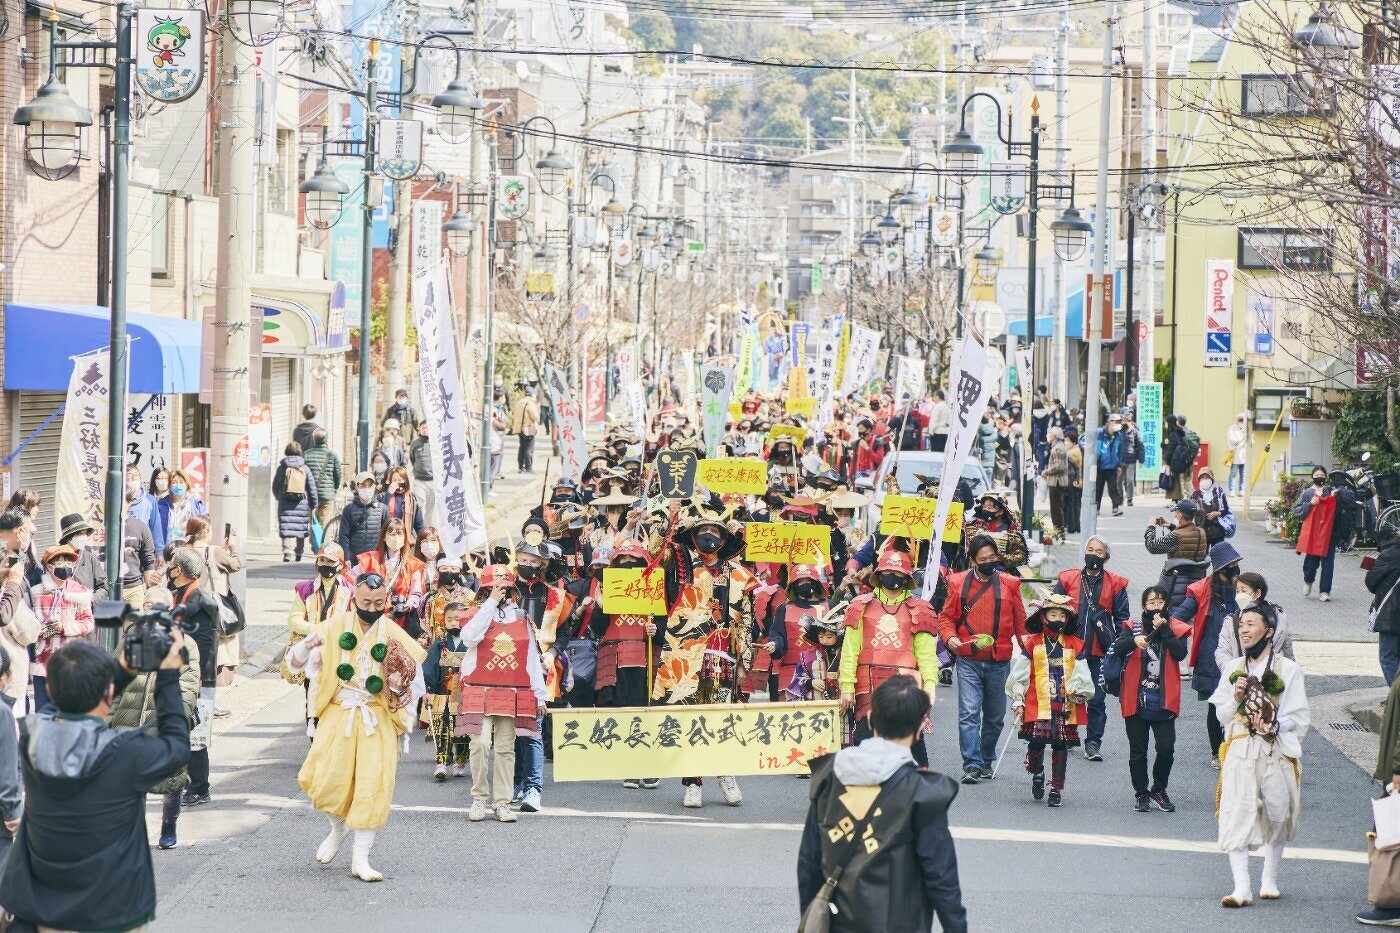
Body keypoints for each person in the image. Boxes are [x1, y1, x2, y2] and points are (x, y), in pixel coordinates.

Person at [0, 636, 189, 932]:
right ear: (109, 693)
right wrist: (167, 674)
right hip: (112, 913)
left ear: (49, 690)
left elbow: (55, 710)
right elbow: (176, 744)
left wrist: (119, 673)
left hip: (44, 911)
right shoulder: (126, 752)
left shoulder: (32, 735)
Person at [798, 675, 967, 933]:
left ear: (869, 719)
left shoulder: (830, 775)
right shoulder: (922, 791)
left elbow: (809, 862)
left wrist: (811, 919)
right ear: (919, 729)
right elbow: (941, 876)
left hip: (837, 922)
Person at [285, 573, 427, 880]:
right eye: (366, 602)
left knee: (372, 786)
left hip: (377, 717)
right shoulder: (331, 628)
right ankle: (338, 827)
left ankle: (360, 859)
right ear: (354, 600)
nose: (372, 608)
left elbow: (415, 686)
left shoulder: (396, 636)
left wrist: (398, 690)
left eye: (379, 603)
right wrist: (304, 647)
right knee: (322, 782)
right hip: (339, 713)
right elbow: (293, 666)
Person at [1211, 603, 1308, 907]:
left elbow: (1299, 716)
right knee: (1235, 812)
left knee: (1278, 812)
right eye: (1241, 625)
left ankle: (1270, 878)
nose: (1244, 630)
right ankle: (1241, 887)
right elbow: (1222, 715)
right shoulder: (1234, 668)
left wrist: (1275, 724)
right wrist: (1236, 698)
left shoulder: (1288, 670)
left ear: (1269, 632)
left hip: (1275, 748)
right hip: (1240, 748)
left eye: (1251, 624)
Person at [108, 586, 201, 850]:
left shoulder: (184, 644)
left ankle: (169, 824)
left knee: (170, 779)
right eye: (148, 605)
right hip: (128, 722)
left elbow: (188, 687)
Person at [937, 535, 1029, 784]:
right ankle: (972, 764)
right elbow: (946, 618)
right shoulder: (958, 583)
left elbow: (1021, 623)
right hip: (968, 659)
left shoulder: (1010, 584)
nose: (989, 562)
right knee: (969, 713)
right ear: (972, 561)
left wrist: (1030, 653)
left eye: (992, 557)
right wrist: (950, 638)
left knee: (995, 718)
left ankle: (986, 758)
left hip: (1000, 661)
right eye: (983, 559)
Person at [457, 567, 546, 824]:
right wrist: (490, 605)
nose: (499, 592)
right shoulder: (476, 613)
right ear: (484, 591)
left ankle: (502, 802)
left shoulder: (522, 617)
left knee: (506, 748)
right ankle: (479, 798)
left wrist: (540, 696)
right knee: (480, 743)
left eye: (504, 588)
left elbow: (531, 658)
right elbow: (468, 638)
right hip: (479, 687)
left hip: (511, 688)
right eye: (493, 588)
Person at [837, 548, 939, 768]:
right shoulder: (860, 606)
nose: (893, 576)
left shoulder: (921, 609)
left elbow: (926, 655)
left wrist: (930, 685)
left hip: (906, 684)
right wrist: (847, 685)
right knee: (866, 742)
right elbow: (850, 650)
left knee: (911, 743)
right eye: (888, 572)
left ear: (906, 577)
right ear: (879, 574)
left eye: (898, 573)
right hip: (867, 683)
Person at [1007, 594, 1094, 807]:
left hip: (1065, 704)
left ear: (1067, 619)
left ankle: (1056, 788)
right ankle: (1037, 772)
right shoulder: (1032, 643)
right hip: (1038, 703)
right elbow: (1020, 674)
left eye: (1062, 615)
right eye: (1053, 614)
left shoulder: (1075, 645)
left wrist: (1078, 689)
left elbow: (1083, 673)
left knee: (1061, 747)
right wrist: (1018, 700)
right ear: (1044, 617)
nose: (1058, 619)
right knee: (1035, 744)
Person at [1051, 535, 1130, 762]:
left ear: (1106, 557)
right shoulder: (1067, 579)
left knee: (1096, 700)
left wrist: (1119, 650)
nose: (1093, 554)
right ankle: (1066, 735)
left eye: (1099, 551)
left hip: (1099, 652)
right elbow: (1053, 609)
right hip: (1068, 650)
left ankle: (1093, 743)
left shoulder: (1116, 584)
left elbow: (1122, 620)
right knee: (1065, 695)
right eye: (1090, 549)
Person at [1111, 586, 1190, 813]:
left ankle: (1159, 789)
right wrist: (1134, 641)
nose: (1156, 606)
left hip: (1164, 699)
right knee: (1138, 750)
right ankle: (1141, 792)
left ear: (1167, 604)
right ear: (1144, 606)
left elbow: (1180, 653)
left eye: (1160, 601)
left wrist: (1164, 630)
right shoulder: (1132, 627)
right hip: (1136, 699)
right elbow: (1118, 648)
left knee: (1166, 748)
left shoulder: (1177, 627)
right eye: (1152, 602)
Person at [1174, 540, 1243, 767]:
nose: (1235, 567)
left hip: (1240, 655)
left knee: (1240, 703)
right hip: (1210, 657)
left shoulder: (1243, 588)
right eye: (1231, 564)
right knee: (1215, 705)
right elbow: (1179, 617)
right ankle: (1217, 752)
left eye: (1236, 563)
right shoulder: (1202, 589)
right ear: (1221, 567)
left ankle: (1236, 748)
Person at [166, 547, 220, 806]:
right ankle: (188, 782)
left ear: (179, 570)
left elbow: (204, 643)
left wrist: (197, 677)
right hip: (182, 673)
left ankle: (199, 787)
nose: (168, 568)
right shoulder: (183, 596)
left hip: (197, 677)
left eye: (171, 564)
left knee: (195, 732)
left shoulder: (200, 601)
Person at [284, 543, 354, 728]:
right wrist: (317, 629)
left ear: (341, 564)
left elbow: (355, 621)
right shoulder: (305, 589)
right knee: (312, 696)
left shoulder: (351, 591)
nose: (325, 564)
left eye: (330, 561)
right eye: (322, 560)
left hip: (339, 651)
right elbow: (294, 619)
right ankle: (314, 734)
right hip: (314, 651)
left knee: (337, 696)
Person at [30, 544, 96, 712]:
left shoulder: (80, 593)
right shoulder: (36, 592)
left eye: (69, 563)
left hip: (70, 661)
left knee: (68, 711)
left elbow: (88, 623)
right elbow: (31, 625)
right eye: (60, 563)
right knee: (44, 711)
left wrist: (63, 626)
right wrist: (45, 630)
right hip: (43, 662)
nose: (65, 567)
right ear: (49, 566)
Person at [422, 600, 471, 782]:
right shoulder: (440, 642)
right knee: (442, 728)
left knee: (462, 730)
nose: (453, 623)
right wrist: (428, 689)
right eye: (449, 619)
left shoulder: (471, 642)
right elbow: (430, 666)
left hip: (464, 696)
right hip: (443, 695)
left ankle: (460, 762)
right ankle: (441, 762)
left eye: (457, 619)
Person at [355, 519, 426, 636]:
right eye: (392, 534)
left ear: (405, 538)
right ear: (384, 537)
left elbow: (416, 593)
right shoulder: (370, 560)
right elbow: (351, 579)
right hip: (374, 615)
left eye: (400, 534)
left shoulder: (413, 564)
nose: (396, 538)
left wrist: (409, 603)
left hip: (402, 617)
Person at [1295, 464, 1354, 602]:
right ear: (1312, 477)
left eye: (1322, 476)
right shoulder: (1307, 493)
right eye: (1317, 475)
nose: (1319, 478)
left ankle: (1325, 591)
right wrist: (1310, 504)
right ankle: (1308, 580)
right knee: (1311, 562)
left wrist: (1339, 492)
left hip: (1329, 533)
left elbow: (1350, 498)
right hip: (1313, 534)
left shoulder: (1330, 491)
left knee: (1328, 564)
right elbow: (1297, 510)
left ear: (1326, 477)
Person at [1217, 571, 1295, 670]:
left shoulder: (1278, 618)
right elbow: (1222, 653)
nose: (1239, 595)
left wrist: (1289, 672)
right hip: (1241, 676)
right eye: (1237, 591)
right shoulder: (1231, 621)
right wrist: (1235, 672)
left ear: (1257, 593)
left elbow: (1287, 650)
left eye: (1243, 591)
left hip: (1272, 675)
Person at [1144, 499, 1210, 613]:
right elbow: (1186, 538)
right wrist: (1170, 526)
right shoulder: (1201, 532)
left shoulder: (1175, 536)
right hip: (1197, 579)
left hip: (1175, 582)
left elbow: (1152, 546)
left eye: (1176, 512)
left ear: (1179, 515)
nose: (1175, 515)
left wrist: (1151, 527)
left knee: (1170, 612)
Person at [274, 441, 321, 563]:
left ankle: (287, 551)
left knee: (286, 527)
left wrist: (279, 497)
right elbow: (312, 488)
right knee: (300, 528)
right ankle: (299, 553)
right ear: (299, 452)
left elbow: (275, 485)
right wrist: (314, 504)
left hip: (285, 503)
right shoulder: (305, 468)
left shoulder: (282, 468)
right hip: (302, 503)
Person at [1370, 526, 1400, 685]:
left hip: (1391, 612)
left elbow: (1371, 582)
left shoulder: (1388, 554)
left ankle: (1397, 695)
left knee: (1387, 657)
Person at [338, 471, 390, 563]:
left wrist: (385, 558)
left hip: (375, 560)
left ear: (374, 487)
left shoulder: (383, 509)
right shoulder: (348, 509)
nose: (367, 488)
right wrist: (346, 558)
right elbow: (343, 536)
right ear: (357, 487)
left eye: (370, 485)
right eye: (363, 485)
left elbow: (387, 535)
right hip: (354, 560)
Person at [58, 513, 108, 602]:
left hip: (87, 607)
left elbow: (104, 587)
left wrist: (90, 599)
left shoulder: (90, 558)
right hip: (63, 607)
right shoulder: (55, 558)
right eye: (80, 533)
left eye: (85, 533)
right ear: (69, 537)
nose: (84, 537)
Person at [120, 486, 157, 605]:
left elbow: (148, 559)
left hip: (133, 588)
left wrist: (148, 585)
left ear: (129, 503)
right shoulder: (101, 527)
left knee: (135, 618)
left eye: (122, 501)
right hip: (107, 587)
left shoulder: (141, 527)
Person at [155, 468, 207, 550]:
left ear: (187, 484)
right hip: (167, 550)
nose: (178, 485)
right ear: (169, 485)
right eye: (174, 482)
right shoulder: (161, 504)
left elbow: (203, 527)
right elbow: (156, 530)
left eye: (181, 482)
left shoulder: (196, 504)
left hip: (189, 550)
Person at [303, 428, 343, 532]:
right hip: (328, 495)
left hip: (311, 495)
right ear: (326, 440)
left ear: (314, 439)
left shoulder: (306, 455)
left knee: (314, 524)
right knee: (325, 524)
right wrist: (334, 488)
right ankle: (324, 542)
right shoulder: (333, 455)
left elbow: (303, 475)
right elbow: (338, 475)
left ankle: (314, 542)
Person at [125, 466, 164, 559]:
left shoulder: (150, 500)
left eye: (136, 475)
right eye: (129, 475)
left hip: (143, 548)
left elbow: (156, 528)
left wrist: (159, 553)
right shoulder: (117, 498)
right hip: (122, 547)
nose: (133, 478)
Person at [1192, 466, 1236, 544]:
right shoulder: (1195, 494)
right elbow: (1190, 512)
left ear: (1211, 479)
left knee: (1218, 551)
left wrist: (1217, 513)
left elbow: (1226, 509)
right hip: (1202, 531)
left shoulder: (1218, 492)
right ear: (1199, 480)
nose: (1205, 480)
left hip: (1218, 531)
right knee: (1203, 552)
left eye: (1207, 477)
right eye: (1202, 477)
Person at [1094, 412, 1125, 516]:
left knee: (1113, 488)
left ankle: (1116, 507)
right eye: (1116, 422)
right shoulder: (1101, 433)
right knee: (1098, 488)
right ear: (1110, 422)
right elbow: (1097, 448)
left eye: (1119, 422)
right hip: (1101, 466)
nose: (1118, 424)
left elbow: (1120, 451)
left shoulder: (1119, 436)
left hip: (1113, 466)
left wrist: (1119, 465)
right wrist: (1096, 461)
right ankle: (1096, 508)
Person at [380, 466, 425, 536]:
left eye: (399, 480)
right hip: (389, 536)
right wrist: (389, 494)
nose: (396, 483)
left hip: (406, 537)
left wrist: (422, 537)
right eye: (394, 480)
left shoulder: (412, 499)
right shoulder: (384, 496)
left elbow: (419, 525)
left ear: (405, 481)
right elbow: (381, 515)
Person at [1043, 427, 1071, 540]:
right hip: (1056, 482)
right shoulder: (1057, 446)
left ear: (1054, 436)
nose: (1048, 435)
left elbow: (1058, 466)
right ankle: (1058, 531)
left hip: (1057, 482)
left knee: (1056, 509)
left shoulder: (1058, 448)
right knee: (1056, 508)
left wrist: (1047, 471)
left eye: (1050, 434)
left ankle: (1059, 532)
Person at [410, 421, 436, 521]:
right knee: (418, 504)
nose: (425, 430)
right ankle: (418, 527)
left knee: (431, 508)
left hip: (433, 480)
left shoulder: (436, 443)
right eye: (423, 428)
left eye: (427, 428)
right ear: (419, 429)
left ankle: (428, 527)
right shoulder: (415, 444)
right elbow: (412, 459)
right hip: (419, 480)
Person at [512, 386, 542, 473]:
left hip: (519, 428)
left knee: (522, 447)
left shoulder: (519, 402)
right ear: (532, 395)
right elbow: (535, 416)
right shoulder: (530, 403)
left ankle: (521, 467)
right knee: (529, 448)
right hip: (528, 428)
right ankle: (528, 467)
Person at [1119, 410, 1144, 507]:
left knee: (1130, 481)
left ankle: (1129, 500)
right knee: (1118, 481)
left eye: (1129, 420)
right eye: (1125, 420)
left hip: (1131, 460)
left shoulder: (1135, 431)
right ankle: (1120, 498)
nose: (1127, 422)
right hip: (1120, 459)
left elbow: (1141, 445)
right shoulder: (1119, 430)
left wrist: (1141, 460)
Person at [1226, 413, 1249, 494]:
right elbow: (1232, 440)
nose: (1242, 422)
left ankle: (1241, 490)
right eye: (1240, 420)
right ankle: (1231, 490)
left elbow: (1250, 440)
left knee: (1243, 474)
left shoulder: (1245, 429)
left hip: (1243, 454)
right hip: (1235, 454)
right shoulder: (1232, 429)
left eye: (1243, 420)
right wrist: (1242, 438)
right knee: (1233, 473)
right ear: (1237, 420)